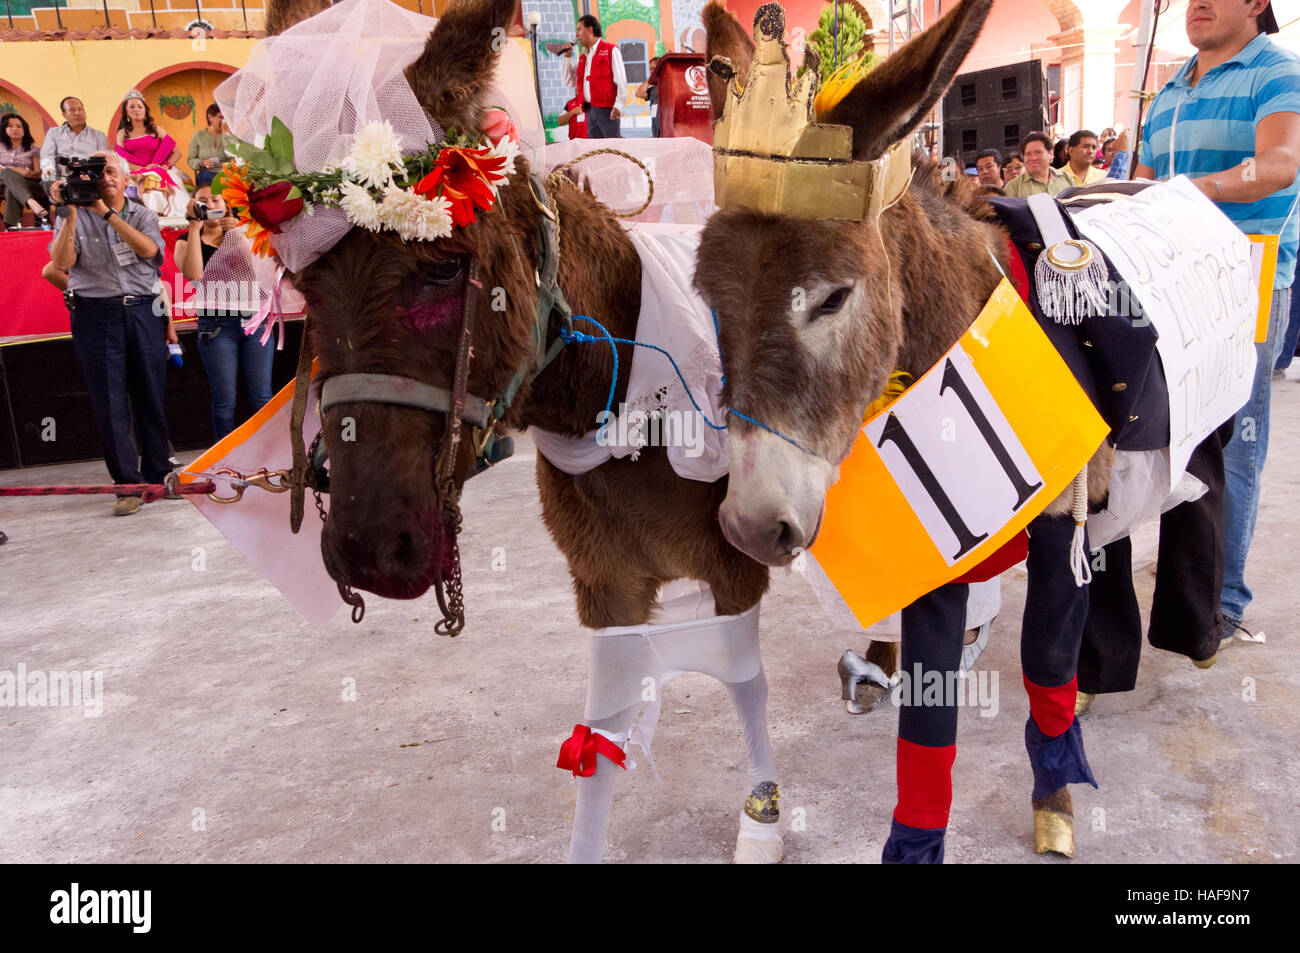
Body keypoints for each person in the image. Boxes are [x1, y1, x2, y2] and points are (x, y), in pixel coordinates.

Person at [1134, 0, 1300, 645]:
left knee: (1234, 446)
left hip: (1244, 281)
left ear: (1257, 3)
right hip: (1166, 283)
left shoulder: (1277, 72)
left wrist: (1194, 190)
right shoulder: (1171, 85)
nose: (1195, 4)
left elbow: (1281, 163)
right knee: (1165, 440)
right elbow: (1140, 181)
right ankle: (1187, 581)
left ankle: (1223, 602)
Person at [48, 151, 172, 516]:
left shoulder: (143, 214)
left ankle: (159, 475)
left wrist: (105, 213)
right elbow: (61, 263)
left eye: (110, 171)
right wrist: (69, 214)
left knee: (150, 393)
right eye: (96, 173)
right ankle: (127, 486)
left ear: (126, 178)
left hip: (143, 311)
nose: (104, 178)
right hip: (95, 314)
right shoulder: (71, 214)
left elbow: (149, 250)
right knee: (110, 401)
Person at [175, 185, 274, 440]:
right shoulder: (186, 240)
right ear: (193, 206)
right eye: (202, 201)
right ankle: (227, 460)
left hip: (255, 319)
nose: (209, 205)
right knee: (224, 400)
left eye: (215, 199)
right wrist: (194, 228)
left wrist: (240, 235)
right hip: (216, 324)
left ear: (227, 203)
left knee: (262, 396)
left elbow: (262, 274)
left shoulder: (247, 232)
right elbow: (194, 275)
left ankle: (268, 455)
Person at [115, 90, 188, 218]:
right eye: (131, 106)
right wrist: (142, 169)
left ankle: (169, 218)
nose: (136, 110)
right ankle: (151, 219)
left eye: (140, 106)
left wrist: (164, 167)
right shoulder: (122, 134)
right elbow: (120, 159)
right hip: (134, 171)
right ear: (126, 111)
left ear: (145, 110)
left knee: (164, 187)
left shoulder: (156, 130)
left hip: (160, 169)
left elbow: (176, 152)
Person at [561, 15, 627, 139]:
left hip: (607, 109)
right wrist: (567, 57)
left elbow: (621, 80)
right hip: (589, 110)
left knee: (612, 147)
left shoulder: (610, 50)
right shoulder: (583, 58)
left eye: (579, 29)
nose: (577, 34)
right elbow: (568, 81)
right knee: (595, 150)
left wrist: (619, 104)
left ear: (590, 30)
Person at [38, 96, 109, 192]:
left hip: (88, 176)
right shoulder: (54, 133)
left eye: (80, 109)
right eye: (72, 110)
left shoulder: (99, 135)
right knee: (47, 178)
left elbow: (105, 160)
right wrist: (49, 171)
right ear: (64, 114)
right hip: (61, 177)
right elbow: (47, 156)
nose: (77, 113)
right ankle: (61, 200)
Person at [1, 112, 48, 228]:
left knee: (10, 187)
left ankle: (12, 227)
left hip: (24, 183)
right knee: (6, 173)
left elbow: (39, 173)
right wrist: (16, 171)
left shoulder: (34, 149)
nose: (14, 129)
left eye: (18, 126)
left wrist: (28, 173)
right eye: (10, 126)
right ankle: (31, 202)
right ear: (4, 129)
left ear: (24, 129)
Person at [1002, 132, 1067, 197]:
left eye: (1038, 152)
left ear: (1051, 154)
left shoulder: (1066, 178)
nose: (1033, 158)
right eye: (1028, 154)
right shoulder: (1013, 188)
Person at [188, 104, 235, 188]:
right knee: (206, 176)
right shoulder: (198, 136)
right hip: (205, 174)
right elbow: (191, 160)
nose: (224, 121)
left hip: (225, 174)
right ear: (210, 118)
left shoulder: (231, 136)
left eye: (226, 117)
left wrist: (227, 135)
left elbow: (235, 161)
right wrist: (201, 163)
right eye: (221, 117)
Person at [636, 56, 661, 137]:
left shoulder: (669, 85)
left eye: (653, 68)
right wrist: (649, 80)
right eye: (650, 69)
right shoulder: (653, 88)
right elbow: (639, 93)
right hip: (656, 130)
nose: (651, 71)